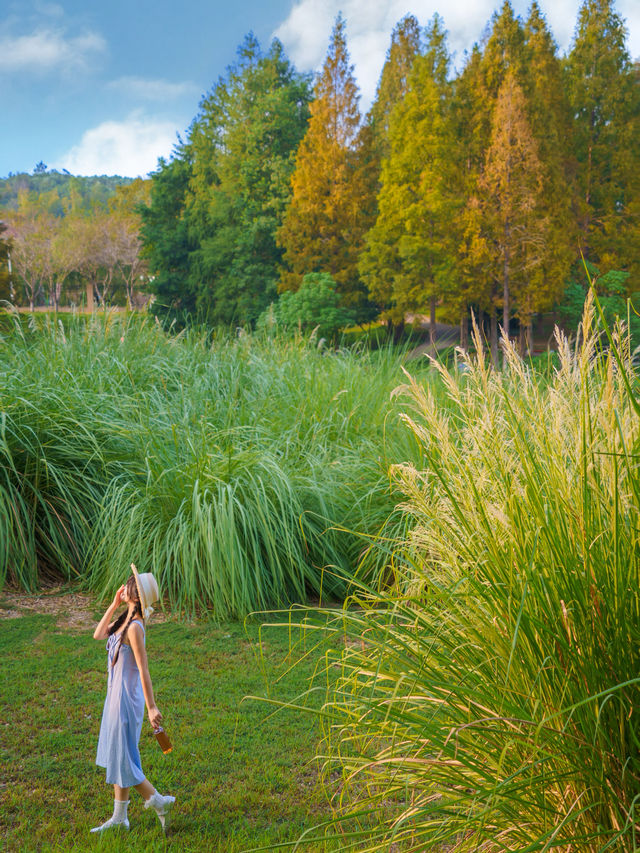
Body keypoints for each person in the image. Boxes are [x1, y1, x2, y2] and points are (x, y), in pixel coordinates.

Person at [91, 563, 175, 833]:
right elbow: (98, 634)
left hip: (127, 699)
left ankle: (158, 801)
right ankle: (120, 818)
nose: (124, 585)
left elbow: (144, 669)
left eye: (129, 584)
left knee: (123, 756)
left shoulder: (135, 628)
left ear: (136, 595)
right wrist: (115, 604)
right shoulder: (124, 619)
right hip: (115, 696)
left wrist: (151, 707)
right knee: (119, 752)